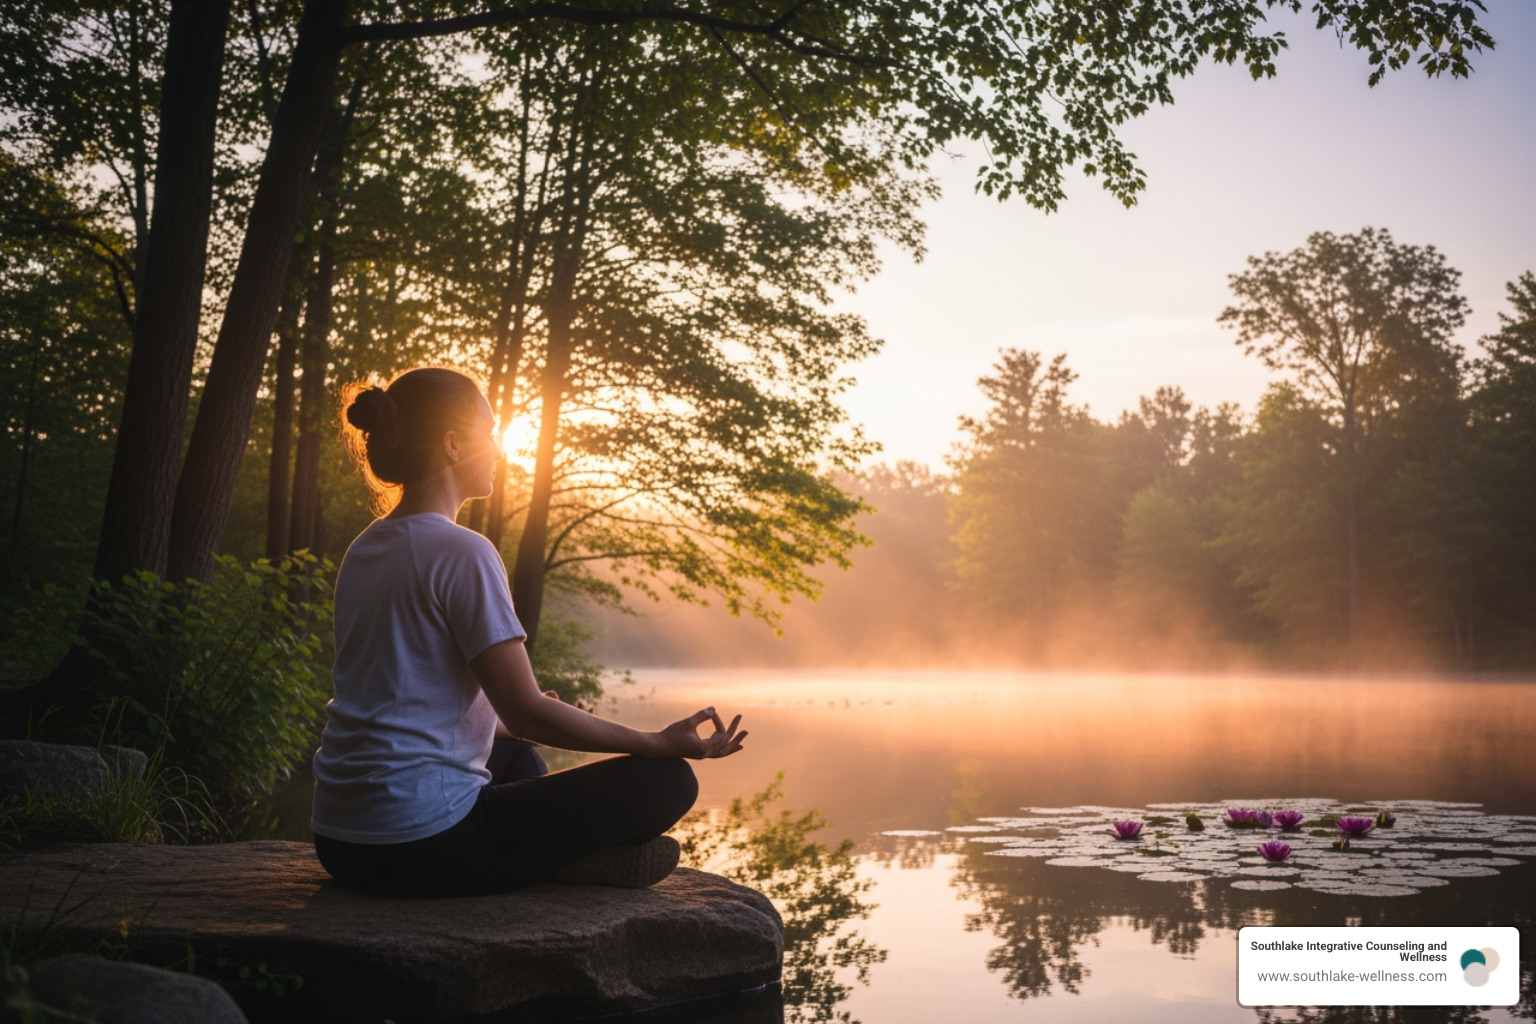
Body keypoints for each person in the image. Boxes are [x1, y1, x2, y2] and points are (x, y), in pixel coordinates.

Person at [311, 367, 746, 897]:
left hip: (340, 841)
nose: (498, 450)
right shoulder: (463, 552)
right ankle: (564, 862)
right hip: (420, 846)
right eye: (488, 434)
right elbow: (527, 711)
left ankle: (554, 858)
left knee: (515, 756)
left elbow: (398, 697)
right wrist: (657, 742)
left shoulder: (366, 549)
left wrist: (497, 726)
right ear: (452, 445)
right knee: (668, 780)